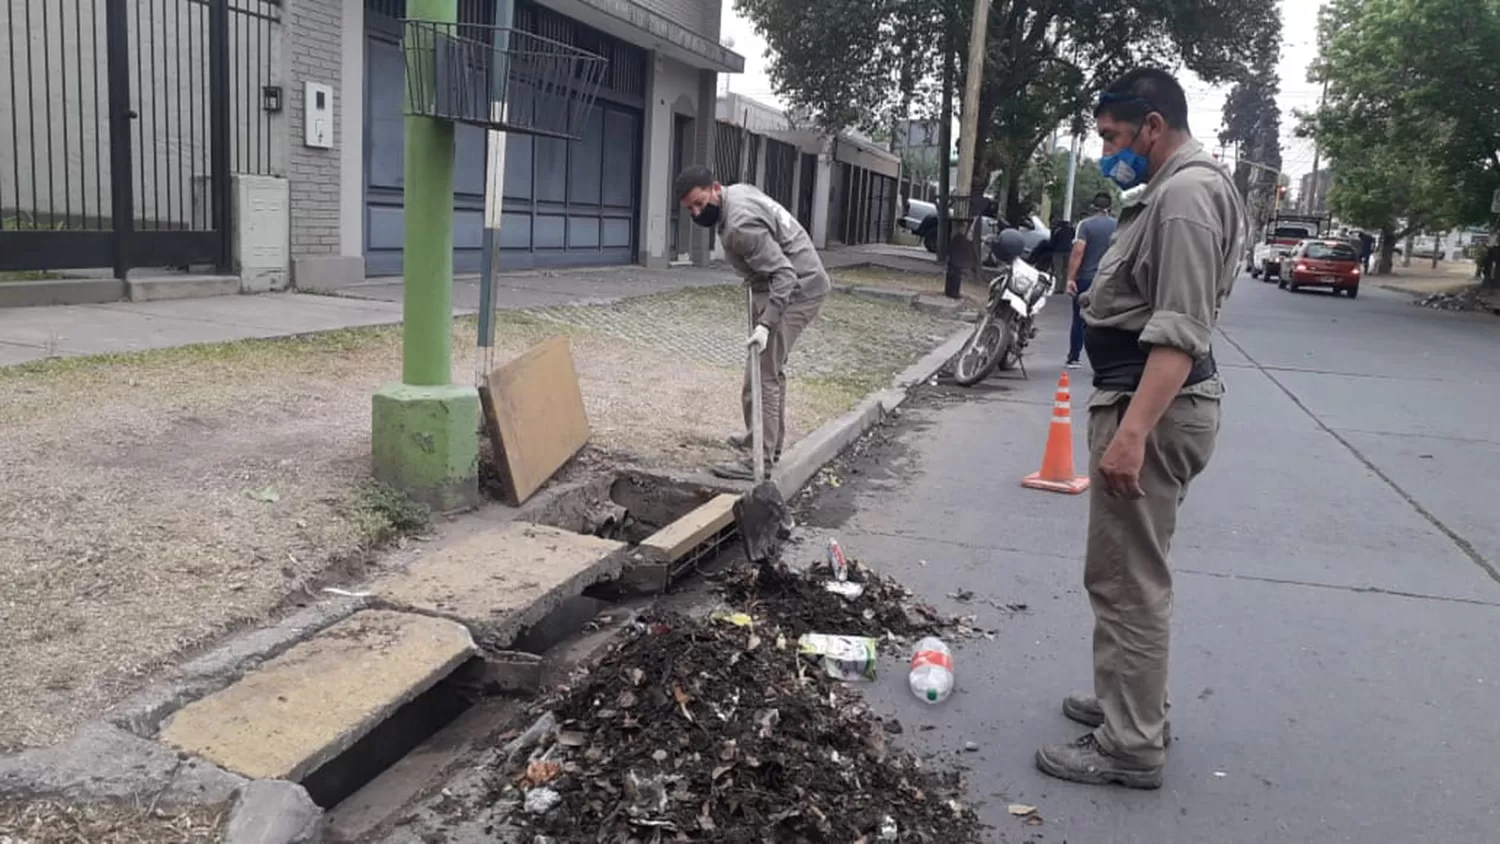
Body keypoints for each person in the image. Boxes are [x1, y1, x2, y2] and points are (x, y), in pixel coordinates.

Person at [1033, 67, 1246, 790]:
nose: (1107, 151)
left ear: (1153, 126)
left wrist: (1132, 434)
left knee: (1129, 578)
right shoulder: (1172, 190)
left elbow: (1180, 331)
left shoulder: (1185, 196)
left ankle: (1130, 744)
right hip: (1142, 403)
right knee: (1123, 569)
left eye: (1113, 137)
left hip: (1149, 410)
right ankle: (1128, 699)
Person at [674, 166, 830, 481]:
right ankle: (764, 443)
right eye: (690, 208)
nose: (696, 212)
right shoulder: (738, 192)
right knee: (770, 372)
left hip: (796, 290)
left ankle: (757, 459)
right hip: (796, 281)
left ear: (715, 188)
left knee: (761, 377)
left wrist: (766, 324)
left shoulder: (739, 224)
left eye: (700, 203)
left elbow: (784, 274)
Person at [1064, 193, 1118, 368]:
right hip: (1110, 279)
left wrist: (1071, 278)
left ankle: (1074, 357)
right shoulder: (1118, 226)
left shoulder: (1085, 225)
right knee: (1107, 320)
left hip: (1086, 279)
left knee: (1079, 319)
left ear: (1093, 207)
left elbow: (1078, 251)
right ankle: (1105, 360)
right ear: (1109, 208)